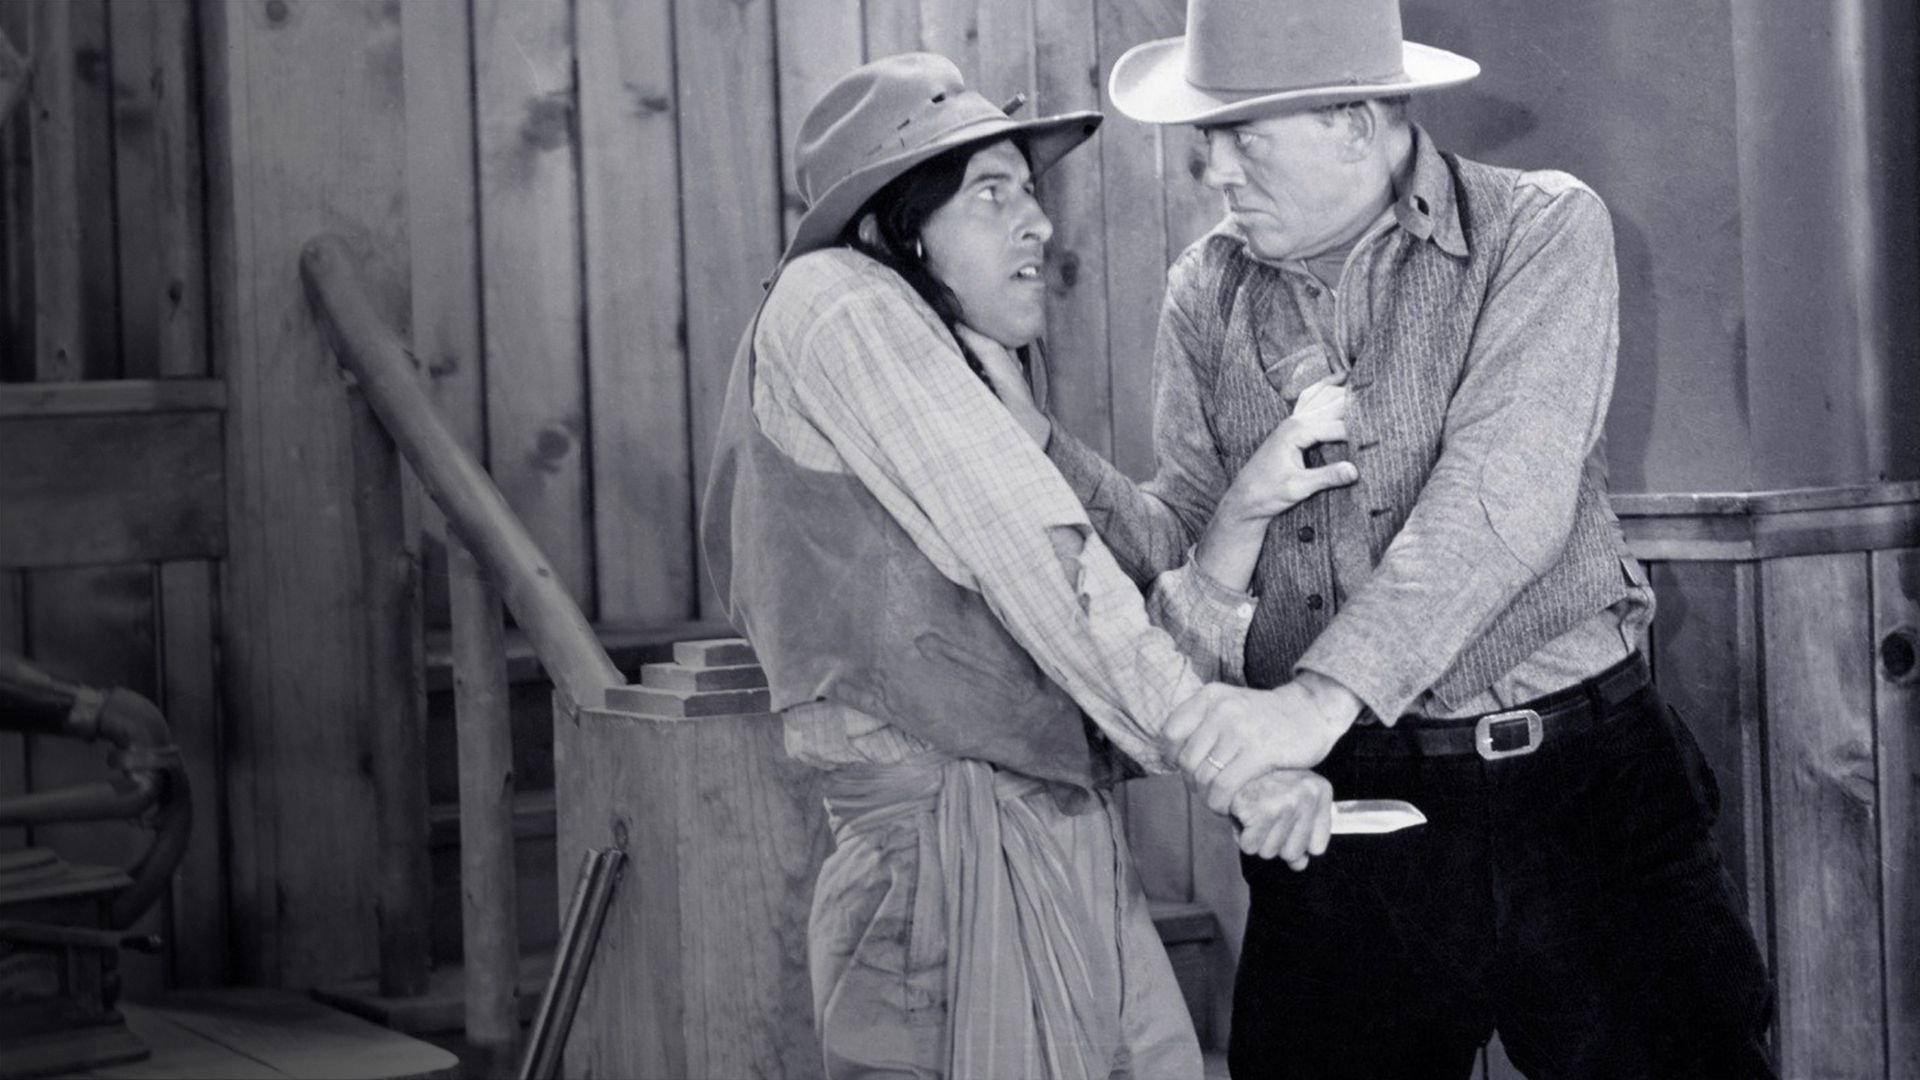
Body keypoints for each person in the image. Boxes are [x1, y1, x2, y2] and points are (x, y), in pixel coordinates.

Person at [999, 1, 1779, 1076]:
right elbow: (1184, 536)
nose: (1214, 172)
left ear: (1356, 123)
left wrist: (1309, 703)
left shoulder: (1540, 229)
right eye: (1207, 140)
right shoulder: (1204, 291)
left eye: (1241, 138)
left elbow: (1502, 500)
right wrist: (1032, 439)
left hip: (1585, 796)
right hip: (1346, 816)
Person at [700, 53, 1353, 1079]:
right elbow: (1045, 565)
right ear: (897, 225)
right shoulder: (840, 300)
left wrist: (1232, 510)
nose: (1039, 223)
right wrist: (1236, 764)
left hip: (1051, 840)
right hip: (944, 878)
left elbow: (1127, 581)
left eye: (1030, 191)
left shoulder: (963, 363)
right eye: (991, 193)